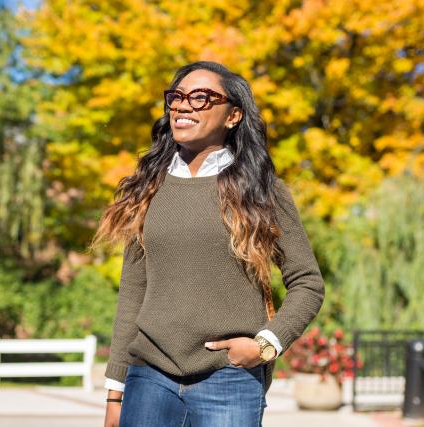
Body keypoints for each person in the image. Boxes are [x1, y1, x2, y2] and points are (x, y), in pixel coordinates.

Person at [92, 61, 325, 427]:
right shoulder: (147, 189)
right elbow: (132, 292)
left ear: (233, 116)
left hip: (229, 379)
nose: (182, 106)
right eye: (177, 97)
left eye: (200, 98)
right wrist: (114, 391)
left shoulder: (262, 192)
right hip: (148, 377)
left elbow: (308, 283)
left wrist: (265, 345)